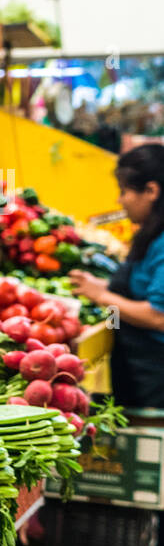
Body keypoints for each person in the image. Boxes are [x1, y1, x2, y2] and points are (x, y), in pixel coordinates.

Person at [70, 145, 164, 407]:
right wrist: (101, 287)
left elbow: (158, 316)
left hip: (154, 373)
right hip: (135, 367)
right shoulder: (151, 234)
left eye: (124, 192)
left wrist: (101, 295)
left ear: (151, 191)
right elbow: (142, 288)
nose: (119, 201)